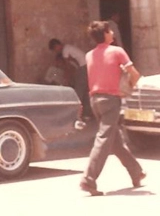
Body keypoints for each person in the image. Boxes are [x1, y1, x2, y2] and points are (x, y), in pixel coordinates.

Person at [80, 20, 145, 196]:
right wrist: (128, 87)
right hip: (111, 100)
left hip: (95, 100)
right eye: (110, 31)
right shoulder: (117, 51)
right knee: (104, 138)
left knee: (114, 140)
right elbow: (134, 73)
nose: (113, 34)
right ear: (106, 34)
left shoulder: (89, 55)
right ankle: (88, 179)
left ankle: (136, 172)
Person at [48, 38, 91, 120]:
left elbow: (68, 67)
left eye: (55, 49)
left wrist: (67, 79)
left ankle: (76, 115)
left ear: (57, 45)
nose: (56, 51)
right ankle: (87, 114)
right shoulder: (68, 47)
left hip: (82, 67)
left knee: (79, 91)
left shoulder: (65, 51)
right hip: (87, 66)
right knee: (85, 91)